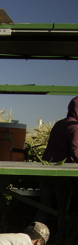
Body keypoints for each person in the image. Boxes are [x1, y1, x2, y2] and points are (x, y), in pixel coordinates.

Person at [38, 98, 78, 232]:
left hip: (46, 169)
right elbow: (75, 149)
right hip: (61, 172)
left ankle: (33, 236)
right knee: (63, 208)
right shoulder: (75, 127)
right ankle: (60, 237)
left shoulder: (59, 124)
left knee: (45, 206)